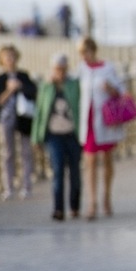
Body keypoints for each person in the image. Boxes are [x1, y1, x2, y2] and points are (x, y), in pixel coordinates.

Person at [77, 37, 126, 221]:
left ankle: (106, 197)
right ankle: (92, 202)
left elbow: (121, 90)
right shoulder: (81, 69)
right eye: (81, 53)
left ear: (93, 50)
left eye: (85, 52)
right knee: (89, 162)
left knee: (107, 160)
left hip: (105, 120)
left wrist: (111, 88)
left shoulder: (108, 67)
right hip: (88, 120)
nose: (84, 56)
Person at [31, 53, 81, 221]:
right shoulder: (46, 87)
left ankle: (74, 206)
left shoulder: (74, 85)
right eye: (56, 68)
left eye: (62, 68)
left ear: (67, 68)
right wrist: (36, 137)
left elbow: (79, 106)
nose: (59, 72)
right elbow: (39, 112)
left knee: (75, 172)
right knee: (58, 170)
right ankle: (58, 209)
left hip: (73, 135)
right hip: (54, 136)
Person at [0, 44, 37, 200]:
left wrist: (20, 87)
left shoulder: (23, 76)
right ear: (1, 60)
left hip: (23, 118)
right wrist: (10, 90)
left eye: (12, 56)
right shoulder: (0, 78)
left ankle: (26, 186)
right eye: (6, 57)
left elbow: (33, 93)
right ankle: (8, 187)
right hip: (6, 118)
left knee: (25, 152)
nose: (10, 59)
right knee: (7, 153)